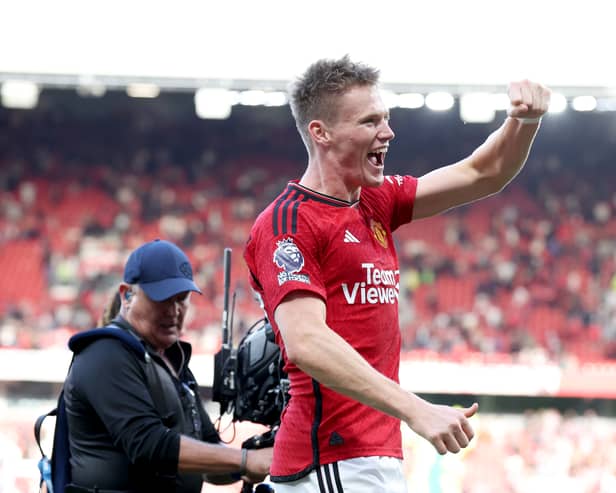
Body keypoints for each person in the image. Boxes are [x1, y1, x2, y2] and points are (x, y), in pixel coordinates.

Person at [244, 56, 550, 492]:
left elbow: (484, 172)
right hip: (330, 463)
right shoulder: (288, 223)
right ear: (321, 133)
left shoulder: (374, 201)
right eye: (370, 122)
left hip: (369, 459)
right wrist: (415, 409)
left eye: (386, 119)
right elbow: (307, 341)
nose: (388, 132)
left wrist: (523, 122)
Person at [63, 239, 273, 492]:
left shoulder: (173, 363)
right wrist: (246, 461)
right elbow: (148, 444)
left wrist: (257, 456)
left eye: (182, 299)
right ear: (127, 295)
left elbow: (208, 461)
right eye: (162, 298)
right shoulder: (105, 353)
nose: (174, 311)